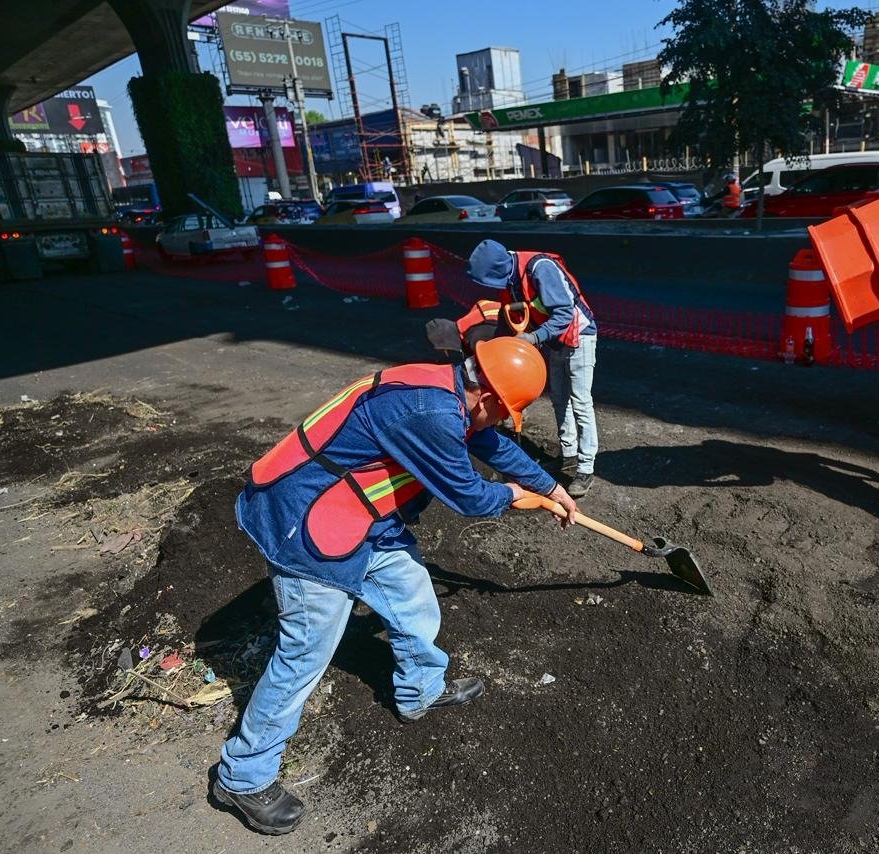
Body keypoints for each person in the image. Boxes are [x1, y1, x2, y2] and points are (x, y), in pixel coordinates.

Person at [212, 338, 578, 835]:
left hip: (363, 519)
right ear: (488, 399)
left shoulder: (451, 391)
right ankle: (243, 776)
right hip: (308, 523)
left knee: (412, 596)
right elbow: (470, 497)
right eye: (505, 412)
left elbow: (490, 443)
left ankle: (420, 690)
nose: (500, 422)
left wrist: (551, 488)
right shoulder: (428, 413)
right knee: (304, 655)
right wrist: (516, 495)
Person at [465, 239, 600, 498]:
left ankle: (585, 469)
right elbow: (508, 317)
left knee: (580, 402)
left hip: (579, 336)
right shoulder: (510, 279)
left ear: (498, 270)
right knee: (559, 400)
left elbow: (564, 313)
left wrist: (534, 338)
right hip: (556, 340)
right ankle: (568, 455)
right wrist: (499, 349)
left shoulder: (540, 269)